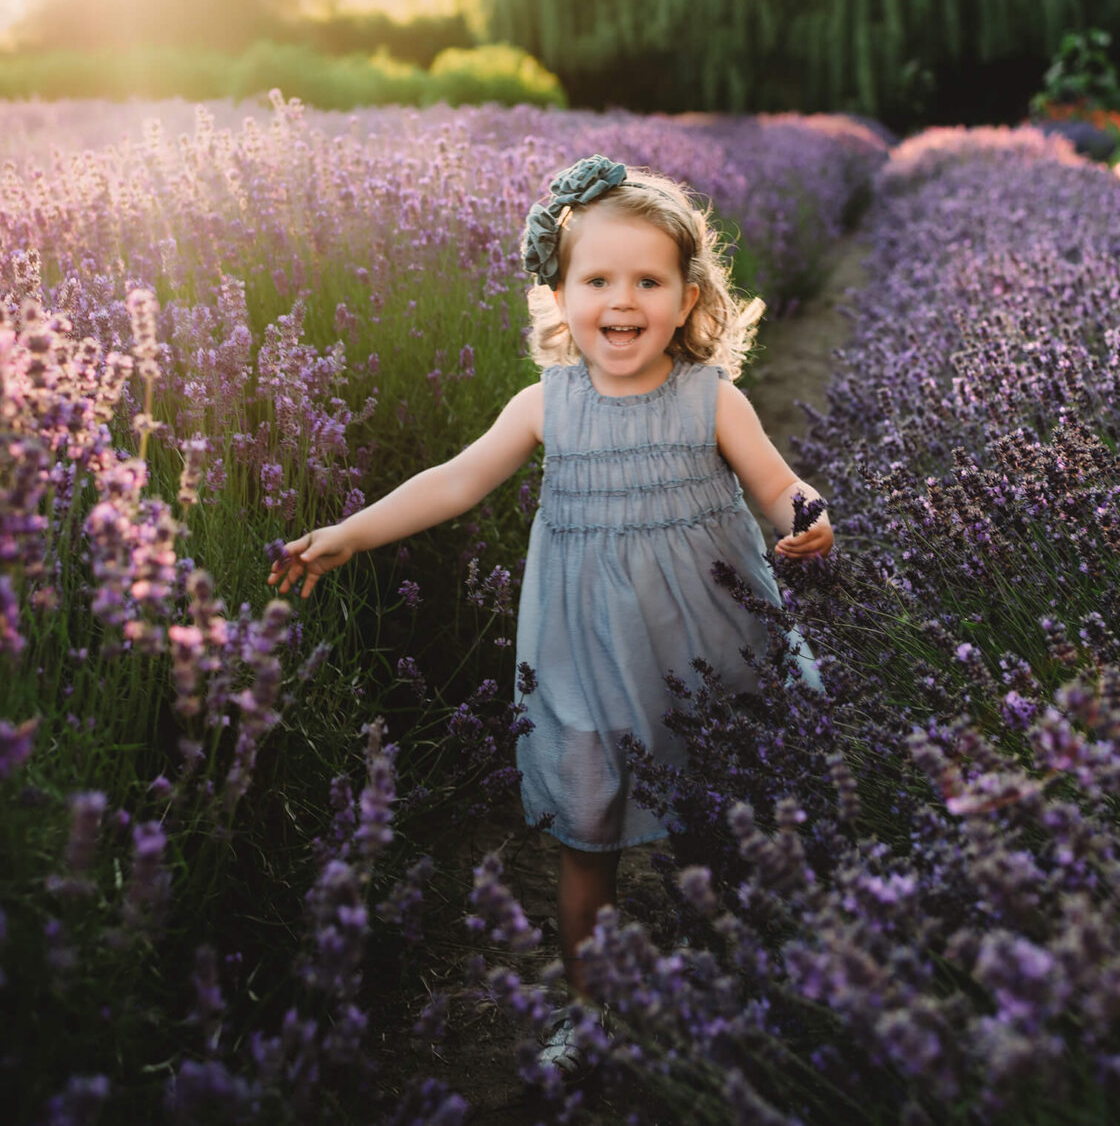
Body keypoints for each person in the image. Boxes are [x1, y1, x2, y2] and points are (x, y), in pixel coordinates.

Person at [267, 155, 832, 1077]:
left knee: (727, 814)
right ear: (558, 296)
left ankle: (755, 985)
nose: (622, 300)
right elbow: (453, 480)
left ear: (688, 300)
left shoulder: (710, 401)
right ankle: (590, 1007)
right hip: (586, 650)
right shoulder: (545, 407)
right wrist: (351, 534)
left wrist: (807, 520)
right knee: (586, 827)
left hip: (707, 644)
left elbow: (778, 485)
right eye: (597, 279)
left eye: (648, 281)